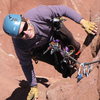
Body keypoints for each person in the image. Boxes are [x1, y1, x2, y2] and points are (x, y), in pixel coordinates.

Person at [3, 5, 97, 100]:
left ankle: (77, 56)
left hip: (53, 31)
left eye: (25, 27)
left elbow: (64, 10)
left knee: (73, 45)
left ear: (26, 20)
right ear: (15, 37)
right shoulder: (20, 45)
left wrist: (82, 21)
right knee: (61, 66)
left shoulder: (39, 14)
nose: (26, 32)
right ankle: (71, 74)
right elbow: (25, 64)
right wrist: (33, 86)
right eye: (21, 34)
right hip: (39, 48)